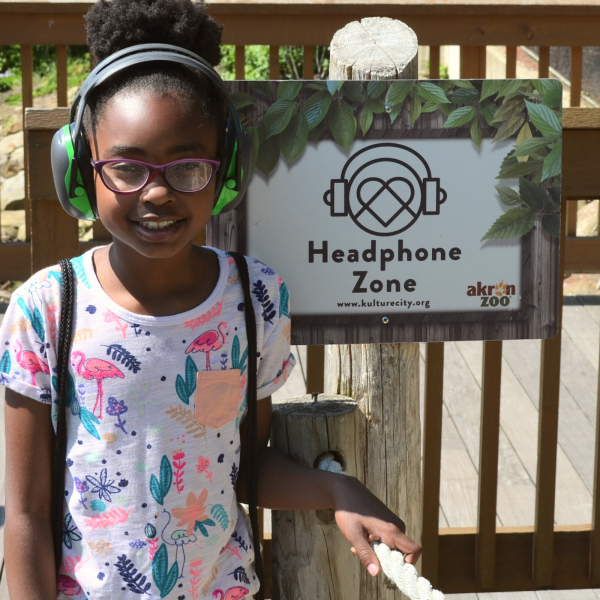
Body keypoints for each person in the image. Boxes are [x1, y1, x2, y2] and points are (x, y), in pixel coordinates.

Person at [0, 1, 421, 598]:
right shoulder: (46, 309)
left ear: (226, 172)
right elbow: (25, 513)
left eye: (188, 167)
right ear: (78, 170)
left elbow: (244, 465)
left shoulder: (255, 299)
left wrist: (336, 491)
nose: (158, 193)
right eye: (126, 167)